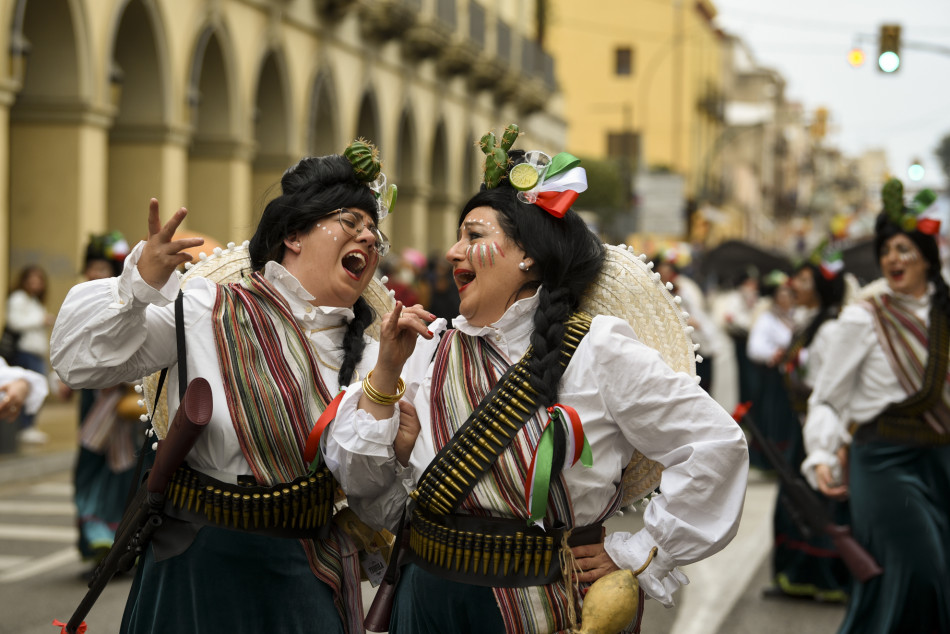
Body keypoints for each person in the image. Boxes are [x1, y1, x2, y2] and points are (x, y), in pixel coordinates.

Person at [325, 128, 749, 634]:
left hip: (546, 602)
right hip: (428, 599)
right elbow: (365, 491)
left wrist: (641, 552)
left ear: (529, 255)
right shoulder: (425, 349)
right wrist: (388, 384)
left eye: (474, 236)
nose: (454, 252)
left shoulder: (598, 350)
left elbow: (715, 444)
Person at [50, 141, 402, 634]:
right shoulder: (206, 309)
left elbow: (372, 493)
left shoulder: (371, 353)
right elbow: (78, 362)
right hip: (201, 563)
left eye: (374, 231)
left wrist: (390, 373)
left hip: (306, 568)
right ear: (294, 235)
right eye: (351, 222)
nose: (368, 237)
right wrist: (137, 287)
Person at [801, 179, 950, 632]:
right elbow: (827, 397)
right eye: (887, 251)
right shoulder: (863, 317)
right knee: (919, 571)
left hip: (941, 459)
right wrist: (824, 452)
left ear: (927, 254)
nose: (893, 259)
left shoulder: (945, 313)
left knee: (934, 579)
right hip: (882, 462)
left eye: (904, 249)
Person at [761, 257, 850, 602]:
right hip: (804, 423)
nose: (793, 285)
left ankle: (823, 577)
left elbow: (829, 388)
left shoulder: (829, 329)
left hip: (816, 428)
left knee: (811, 504)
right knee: (797, 502)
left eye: (802, 279)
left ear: (821, 287)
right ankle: (798, 575)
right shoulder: (809, 322)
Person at [68, 232, 146, 576]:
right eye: (92, 266)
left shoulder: (125, 300)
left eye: (104, 266)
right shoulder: (79, 301)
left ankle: (118, 548)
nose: (96, 273)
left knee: (122, 476)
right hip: (93, 402)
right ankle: (102, 548)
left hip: (120, 403)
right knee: (89, 472)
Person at [7, 265, 53, 443]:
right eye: (31, 279)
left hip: (34, 353)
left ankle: (28, 426)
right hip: (24, 352)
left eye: (39, 280)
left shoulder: (33, 300)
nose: (35, 283)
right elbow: (15, 322)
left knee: (36, 387)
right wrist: (40, 320)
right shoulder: (18, 298)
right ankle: (25, 427)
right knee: (31, 388)